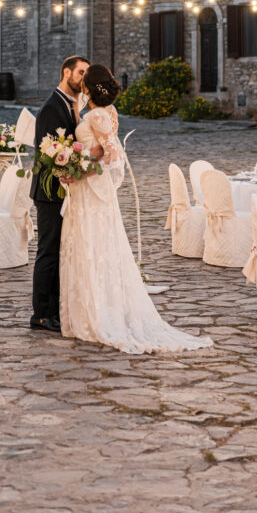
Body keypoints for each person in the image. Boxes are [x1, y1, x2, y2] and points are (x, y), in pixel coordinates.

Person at [59, 63, 213, 355]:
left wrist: (79, 171)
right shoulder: (108, 113)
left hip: (91, 191)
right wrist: (78, 156)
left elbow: (112, 155)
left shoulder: (97, 115)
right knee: (91, 245)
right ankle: (88, 310)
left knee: (94, 245)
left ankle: (99, 314)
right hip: (85, 192)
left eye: (85, 82)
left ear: (89, 88)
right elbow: (100, 149)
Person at [29, 55, 98, 333]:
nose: (84, 78)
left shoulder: (74, 106)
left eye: (87, 74)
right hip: (48, 191)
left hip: (65, 189)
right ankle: (41, 314)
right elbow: (48, 151)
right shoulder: (51, 106)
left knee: (60, 251)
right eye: (81, 73)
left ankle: (56, 309)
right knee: (48, 251)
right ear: (66, 72)